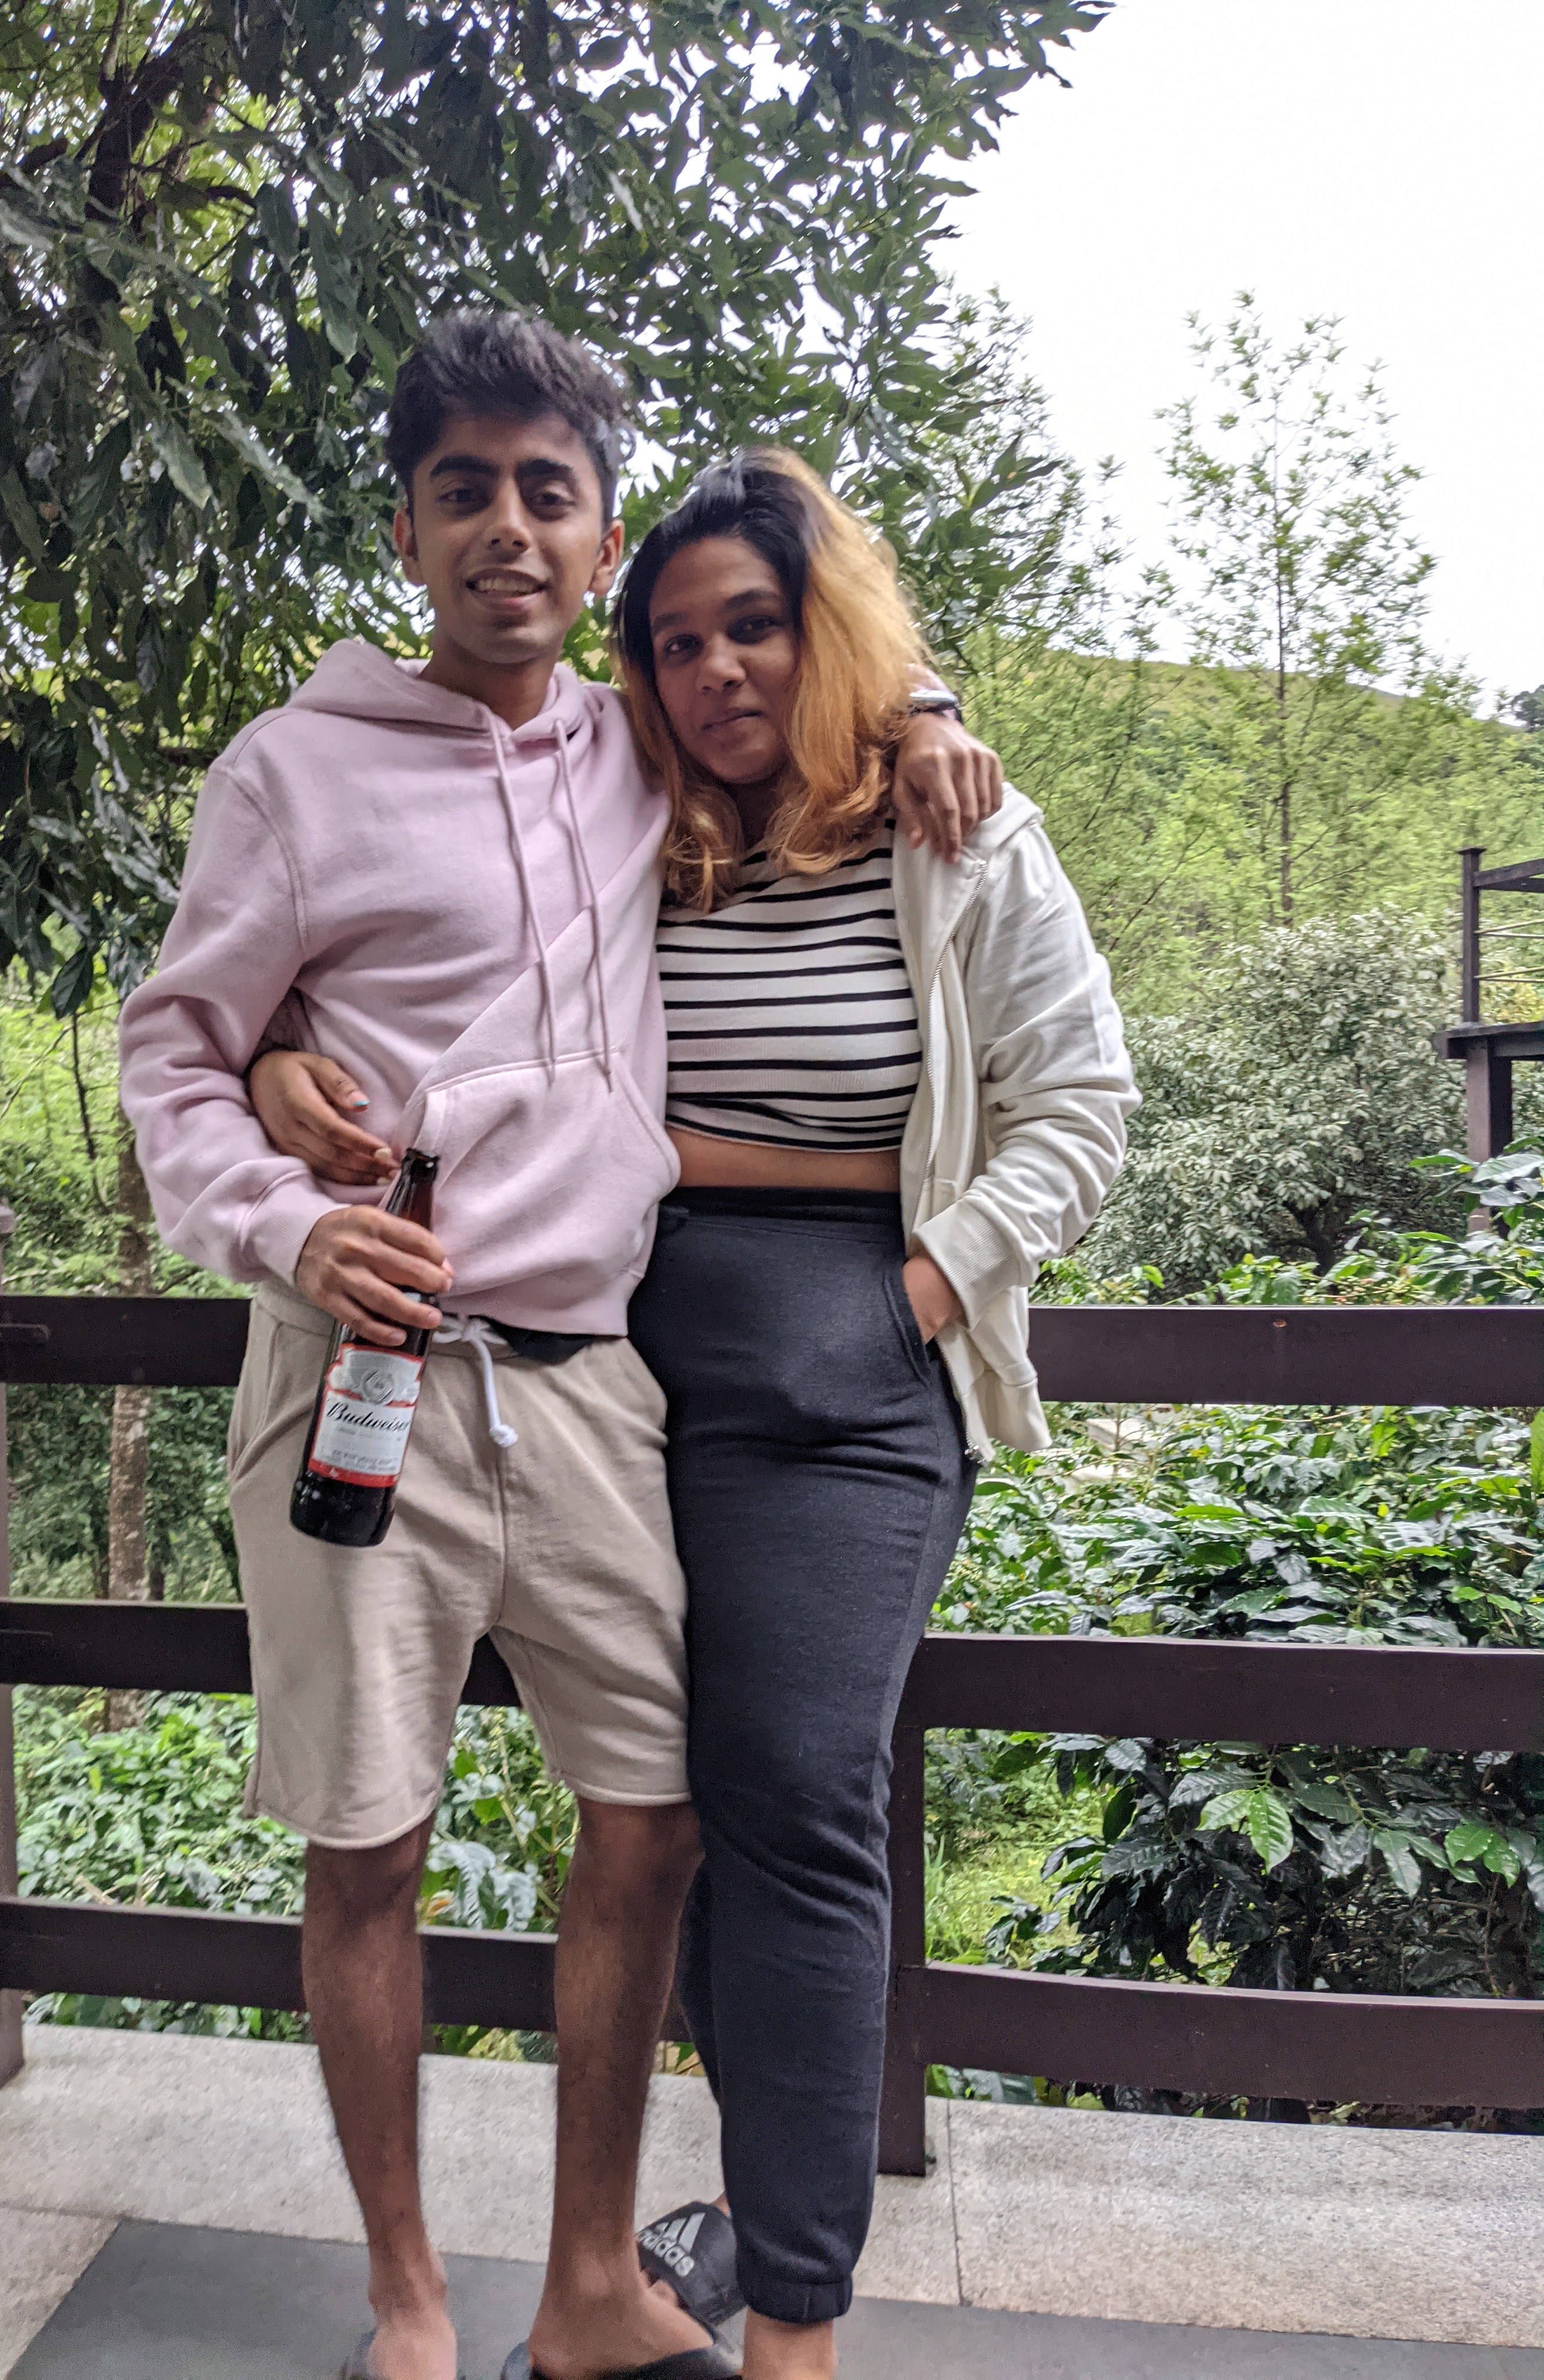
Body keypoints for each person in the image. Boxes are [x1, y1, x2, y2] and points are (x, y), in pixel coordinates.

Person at [119, 313, 1001, 2380]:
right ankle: (410, 2298)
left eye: (547, 491)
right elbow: (175, 1052)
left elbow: (797, 671)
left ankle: (593, 2283)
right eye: (463, 491)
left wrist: (933, 703)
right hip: (366, 1383)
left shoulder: (640, 744)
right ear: (407, 533)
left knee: (661, 1815)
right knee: (371, 1845)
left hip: (602, 1383)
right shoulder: (290, 774)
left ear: (600, 541)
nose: (505, 529)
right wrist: (282, 1201)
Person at [252, 449, 1134, 2380]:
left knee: (798, 1797)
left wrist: (919, 1286)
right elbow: (448, 943)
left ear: (833, 636)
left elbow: (1084, 1104)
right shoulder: (639, 819)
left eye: (759, 627)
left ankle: (794, 2323)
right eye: (677, 641)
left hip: (845, 1384)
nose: (718, 667)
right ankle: (691, 2251)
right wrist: (276, 1050)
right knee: (684, 1811)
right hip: (625, 1372)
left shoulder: (956, 833)